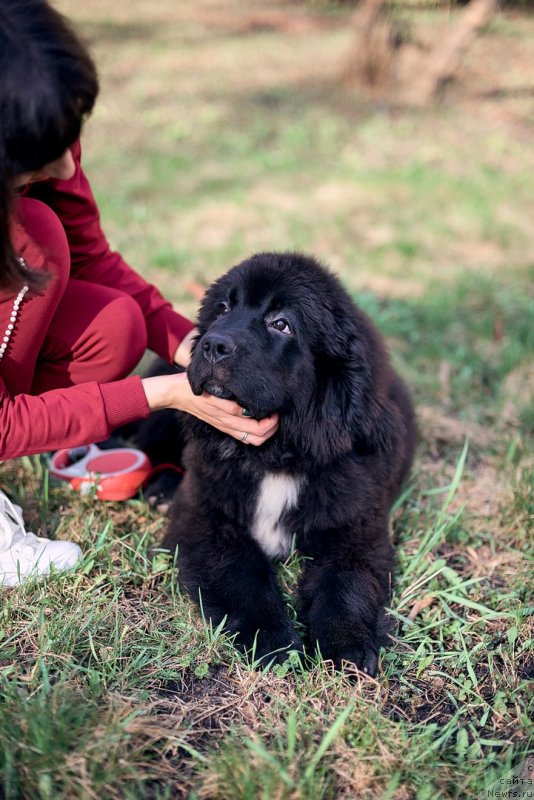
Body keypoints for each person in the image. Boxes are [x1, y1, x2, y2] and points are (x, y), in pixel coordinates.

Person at [0, 0, 278, 586]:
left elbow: (97, 260)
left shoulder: (41, 132)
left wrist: (197, 354)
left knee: (115, 321)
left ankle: (53, 426)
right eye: (36, 156)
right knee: (35, 238)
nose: (64, 168)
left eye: (69, 134)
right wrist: (162, 395)